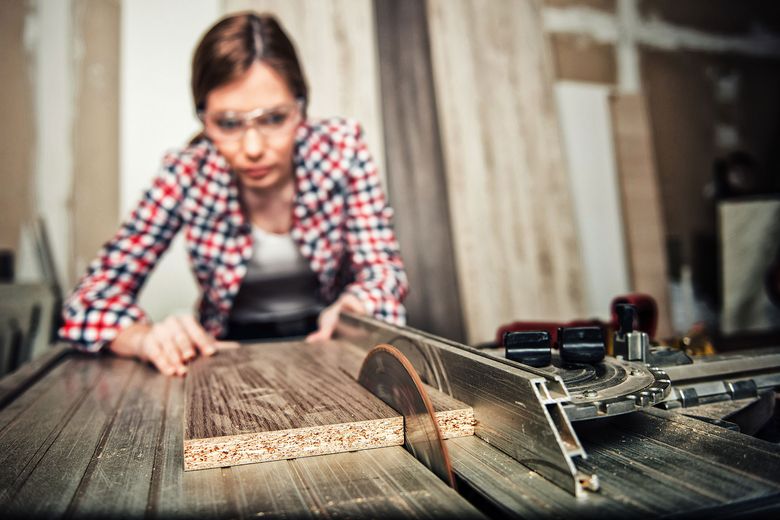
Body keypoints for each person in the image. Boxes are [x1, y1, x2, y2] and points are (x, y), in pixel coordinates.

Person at [59, 12, 408, 376]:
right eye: (228, 123)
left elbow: (384, 274)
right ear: (203, 119)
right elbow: (88, 301)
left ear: (301, 108)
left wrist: (357, 308)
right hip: (225, 354)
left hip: (332, 341)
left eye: (274, 118)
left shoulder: (342, 149)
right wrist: (145, 337)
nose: (253, 148)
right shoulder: (186, 173)